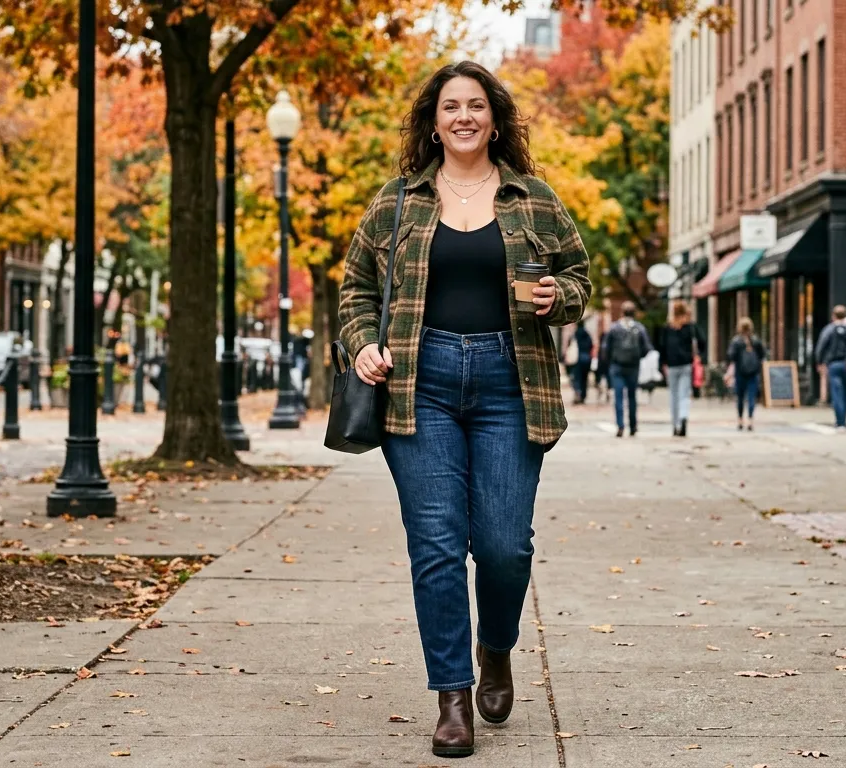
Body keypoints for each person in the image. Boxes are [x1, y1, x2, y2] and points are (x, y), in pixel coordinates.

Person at [337, 60, 591, 759]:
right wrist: (362, 346)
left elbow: (579, 277)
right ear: (434, 121)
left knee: (505, 547)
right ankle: (452, 698)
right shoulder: (398, 201)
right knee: (438, 548)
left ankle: (496, 648)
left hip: (513, 381)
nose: (464, 117)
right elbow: (356, 287)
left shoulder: (533, 198)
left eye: (476, 105)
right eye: (450, 106)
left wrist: (557, 300)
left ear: (496, 117)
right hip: (421, 386)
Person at [601, 301, 650, 437]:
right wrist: (638, 357)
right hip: (633, 367)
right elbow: (646, 348)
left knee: (618, 396)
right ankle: (633, 426)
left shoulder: (614, 327)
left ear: (622, 312)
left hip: (617, 366)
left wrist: (609, 362)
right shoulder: (639, 328)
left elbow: (605, 348)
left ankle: (620, 425)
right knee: (632, 396)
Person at [658, 300, 705, 437]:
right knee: (684, 394)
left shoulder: (668, 328)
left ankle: (676, 424)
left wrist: (663, 363)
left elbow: (662, 347)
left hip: (672, 365)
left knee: (673, 395)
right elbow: (702, 342)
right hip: (686, 364)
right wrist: (698, 356)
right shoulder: (690, 327)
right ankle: (684, 416)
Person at [814, 305, 846, 431]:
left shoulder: (830, 329)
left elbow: (821, 346)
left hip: (834, 364)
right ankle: (844, 420)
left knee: (837, 394)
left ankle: (840, 422)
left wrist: (820, 362)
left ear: (833, 316)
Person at [727, 317, 766, 431]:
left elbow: (731, 355)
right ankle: (750, 420)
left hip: (740, 373)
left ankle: (740, 420)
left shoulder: (736, 341)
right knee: (751, 397)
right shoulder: (756, 340)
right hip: (753, 373)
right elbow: (762, 355)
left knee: (740, 397)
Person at [563, 321, 593, 404]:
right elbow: (591, 346)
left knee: (577, 378)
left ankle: (578, 393)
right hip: (587, 360)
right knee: (584, 378)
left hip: (577, 360)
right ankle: (583, 395)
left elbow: (569, 346)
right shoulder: (587, 335)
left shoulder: (575, 335)